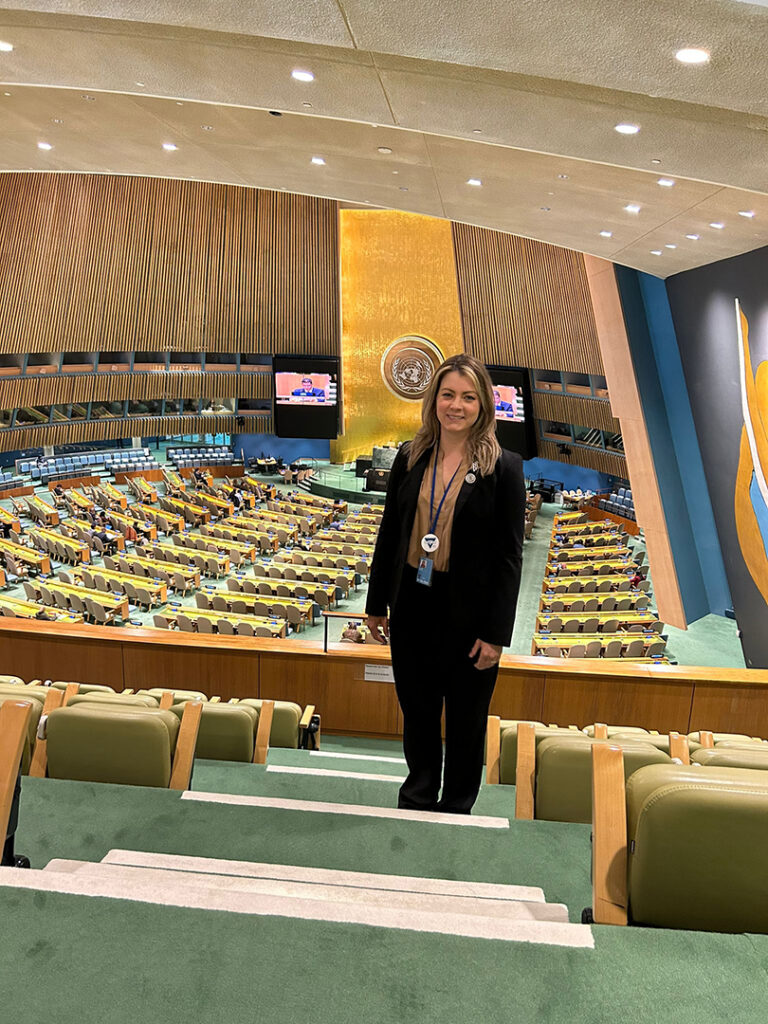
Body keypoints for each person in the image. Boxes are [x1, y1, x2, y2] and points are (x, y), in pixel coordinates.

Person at [366, 353, 525, 815]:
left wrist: (497, 635)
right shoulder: (409, 456)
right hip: (414, 603)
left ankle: (457, 804)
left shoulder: (505, 468)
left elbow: (509, 558)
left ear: (484, 406)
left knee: (466, 719)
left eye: (468, 397)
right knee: (417, 711)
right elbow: (390, 535)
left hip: (470, 614)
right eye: (448, 394)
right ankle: (416, 794)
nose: (456, 405)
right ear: (434, 399)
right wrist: (377, 604)